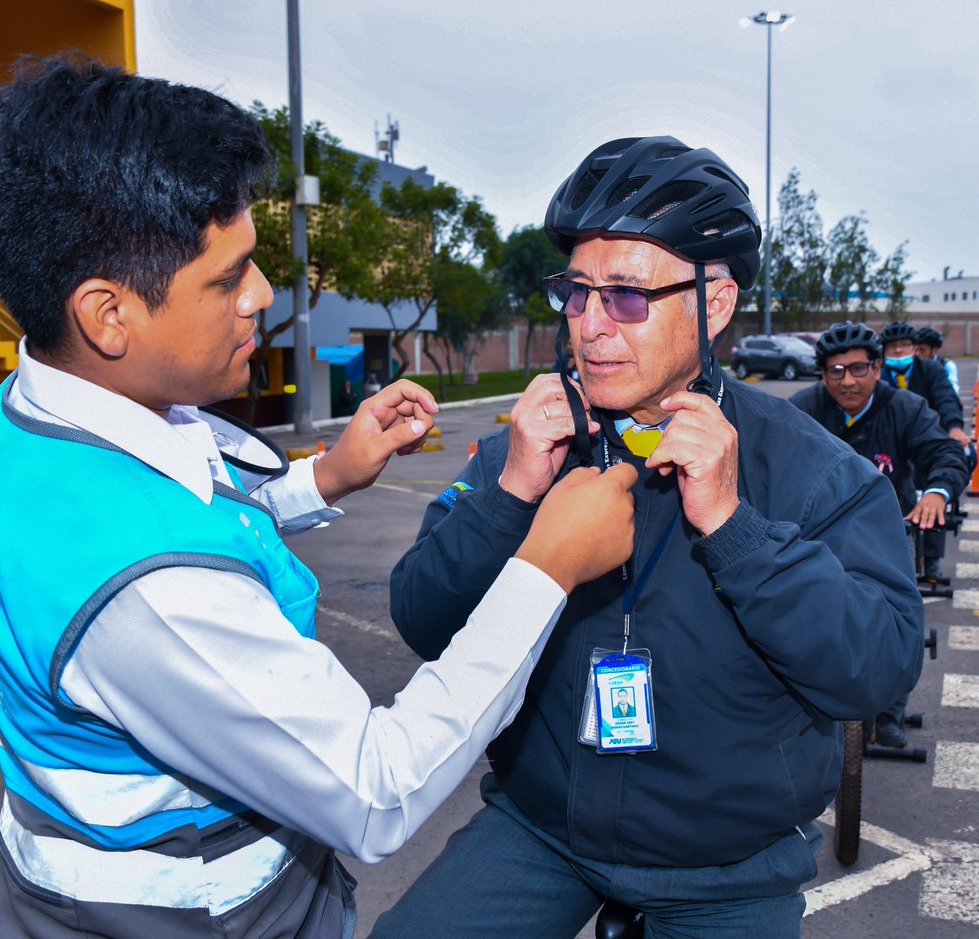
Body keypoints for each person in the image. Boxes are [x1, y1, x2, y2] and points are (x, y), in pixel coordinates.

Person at [0, 55, 640, 939]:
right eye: (227, 276)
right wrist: (550, 563)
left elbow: (178, 503)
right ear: (107, 314)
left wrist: (323, 475)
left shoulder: (26, 415)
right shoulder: (148, 598)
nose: (263, 296)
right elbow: (376, 788)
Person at [376, 136, 925, 938]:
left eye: (627, 296)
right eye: (576, 292)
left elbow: (875, 671)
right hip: (543, 829)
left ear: (716, 302)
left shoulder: (816, 472)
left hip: (729, 866)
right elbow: (423, 621)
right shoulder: (527, 444)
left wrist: (737, 531)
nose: (589, 327)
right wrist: (510, 497)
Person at [790, 321, 969, 747]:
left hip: (887, 532)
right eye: (836, 371)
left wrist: (937, 493)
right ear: (823, 374)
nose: (847, 380)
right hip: (818, 532)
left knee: (898, 619)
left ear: (877, 368)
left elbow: (944, 451)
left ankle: (890, 711)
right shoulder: (803, 409)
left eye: (858, 368)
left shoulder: (905, 408)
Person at [878, 320, 968, 580]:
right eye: (892, 347)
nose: (897, 351)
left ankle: (932, 561)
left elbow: (946, 399)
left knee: (934, 495)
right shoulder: (876, 373)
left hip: (926, 441)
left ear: (914, 348)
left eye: (904, 346)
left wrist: (954, 428)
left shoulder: (930, 370)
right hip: (890, 446)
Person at [914, 325, 960, 396]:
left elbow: (952, 392)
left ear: (934, 351)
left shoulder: (947, 366)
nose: (917, 354)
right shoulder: (912, 364)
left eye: (922, 350)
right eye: (916, 349)